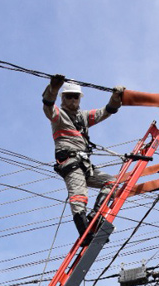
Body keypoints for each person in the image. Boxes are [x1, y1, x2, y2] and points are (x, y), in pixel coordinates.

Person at [42, 74, 125, 236]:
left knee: (111, 182)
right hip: (70, 162)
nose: (73, 100)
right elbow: (47, 106)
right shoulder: (58, 116)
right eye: (69, 96)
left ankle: (96, 215)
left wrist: (115, 99)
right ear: (63, 98)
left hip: (85, 165)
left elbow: (106, 111)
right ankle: (84, 232)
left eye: (76, 97)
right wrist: (53, 88)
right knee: (79, 196)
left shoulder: (83, 117)